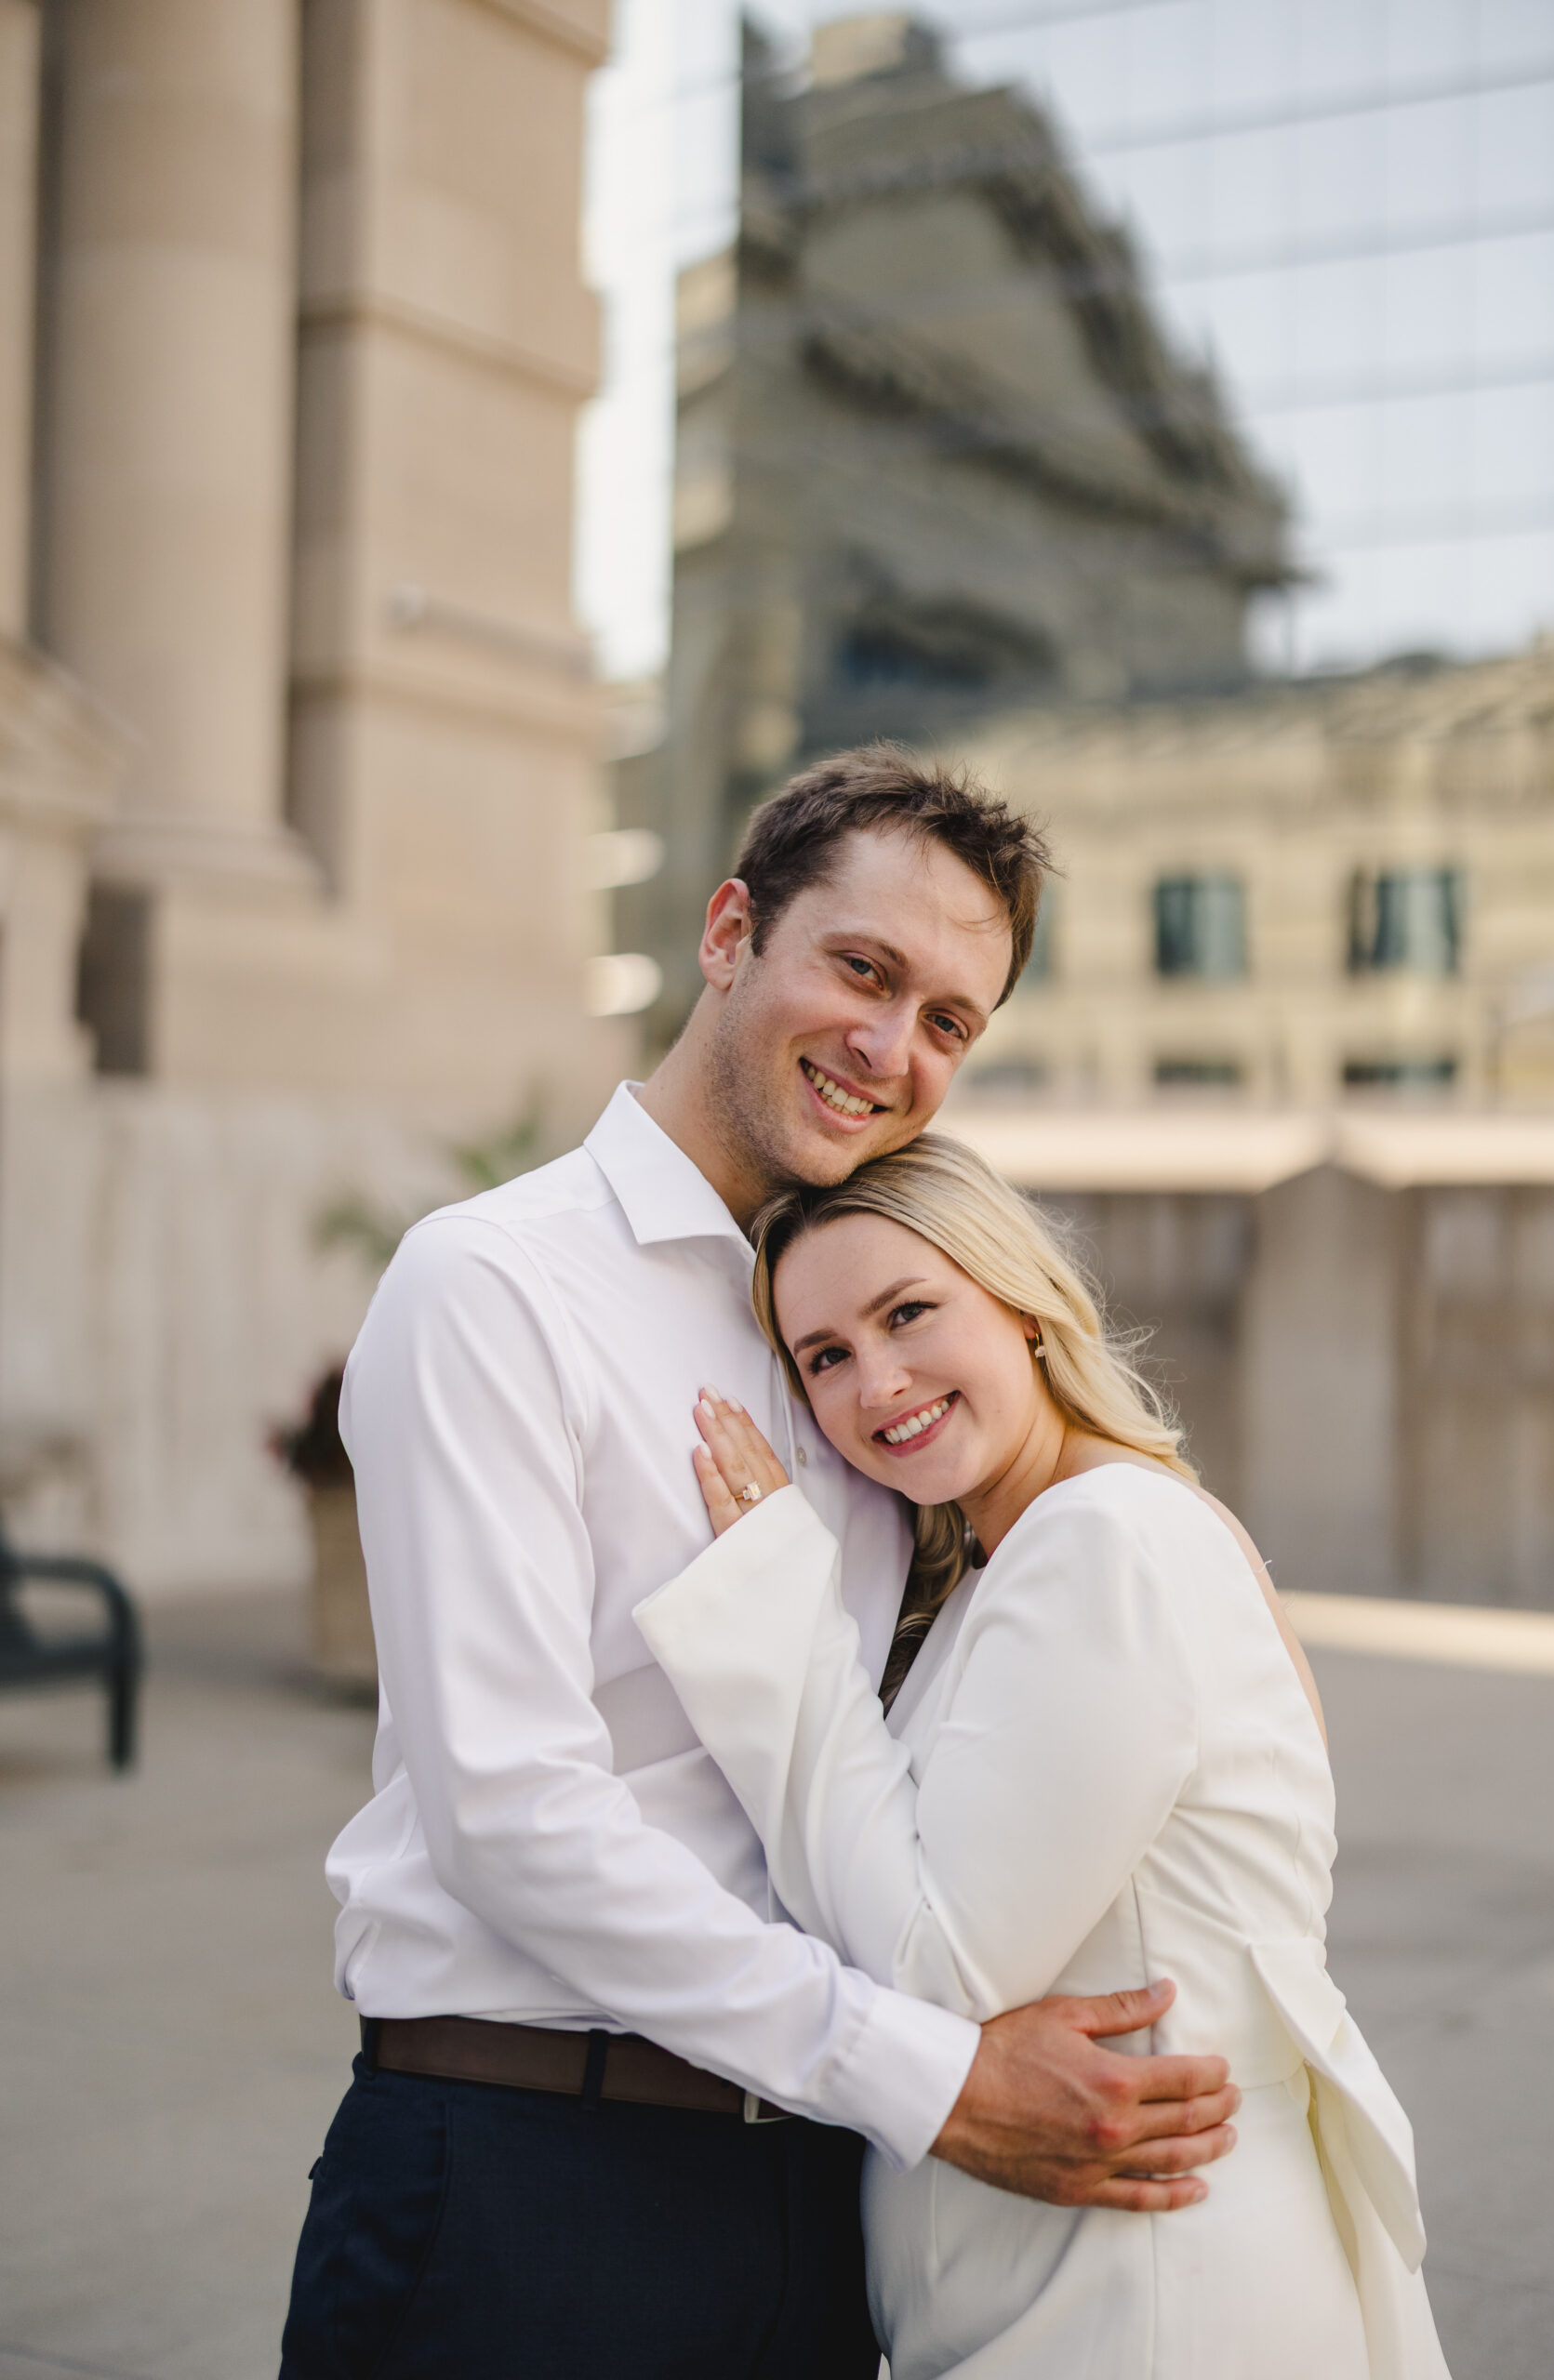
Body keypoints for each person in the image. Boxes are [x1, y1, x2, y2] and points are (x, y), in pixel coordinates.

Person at [279, 748, 1241, 2380]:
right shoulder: (496, 1286)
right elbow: (514, 1812)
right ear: (730, 932)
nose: (892, 1048)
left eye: (950, 1021)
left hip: (815, 2199)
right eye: (862, 969)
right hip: (531, 2175)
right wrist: (931, 2077)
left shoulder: (878, 1340)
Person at [636, 1133, 1452, 2380]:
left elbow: (932, 1962)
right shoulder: (1035, 1552)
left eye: (910, 1313)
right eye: (826, 1359)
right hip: (1089, 2285)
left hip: (1149, 2301)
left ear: (1020, 1301)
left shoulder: (1102, 1540)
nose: (878, 1383)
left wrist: (774, 1612)